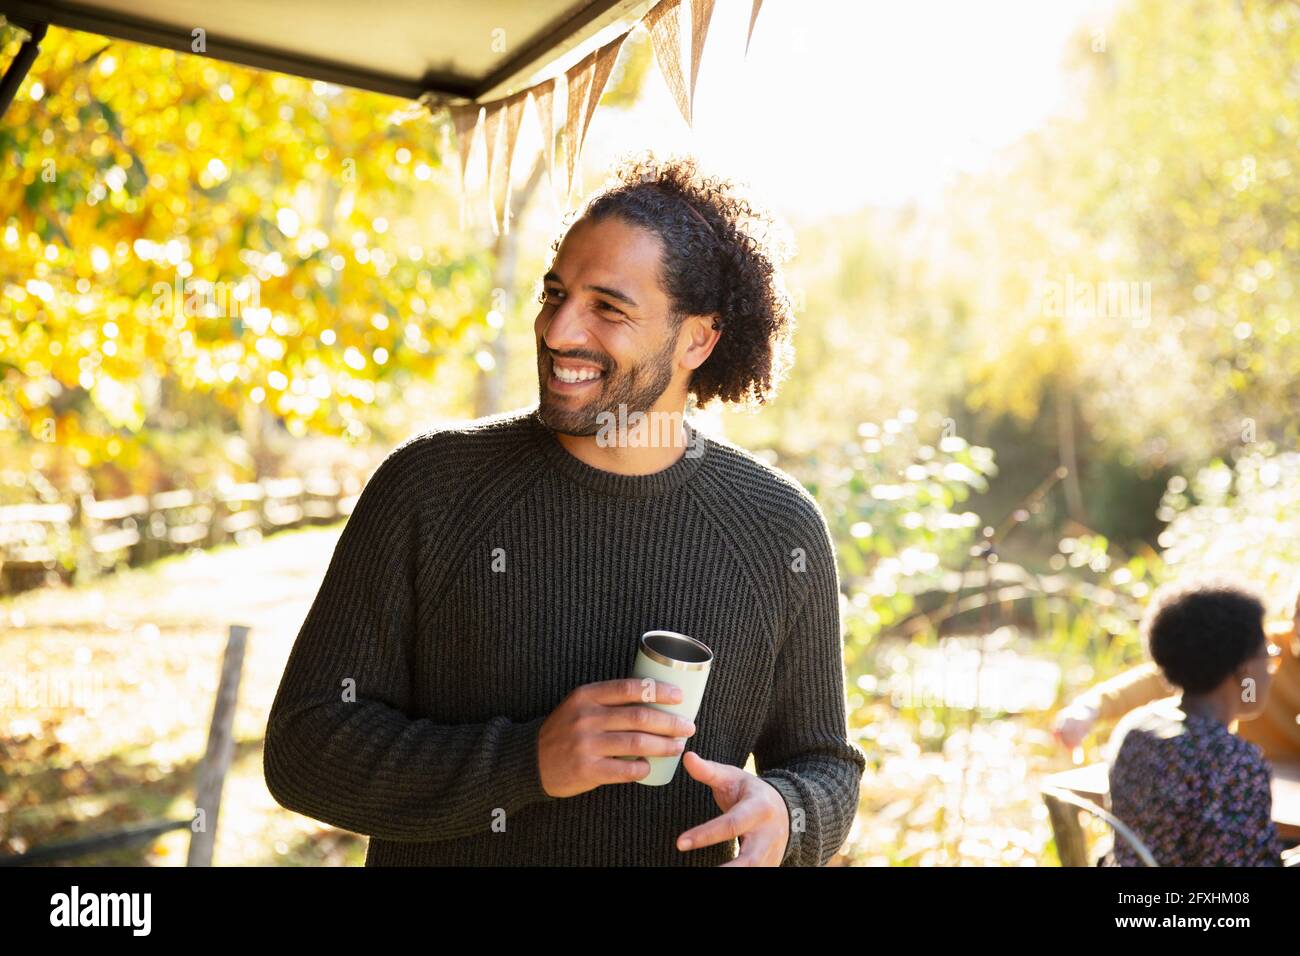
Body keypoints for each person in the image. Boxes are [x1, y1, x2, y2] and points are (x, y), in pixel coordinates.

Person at [263, 152, 867, 866]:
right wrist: (529, 762)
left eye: (607, 307)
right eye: (555, 295)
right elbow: (306, 747)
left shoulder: (778, 529)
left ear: (698, 338)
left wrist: (788, 813)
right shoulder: (427, 487)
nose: (557, 331)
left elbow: (826, 764)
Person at [1101, 579, 1284, 865]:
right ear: (1244, 668)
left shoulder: (1135, 727)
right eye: (1268, 655)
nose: (1271, 670)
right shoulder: (1232, 762)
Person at [1054, 580, 1300, 761]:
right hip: (1236, 781)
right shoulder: (1258, 649)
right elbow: (1179, 672)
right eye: (1297, 613)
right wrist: (1091, 707)